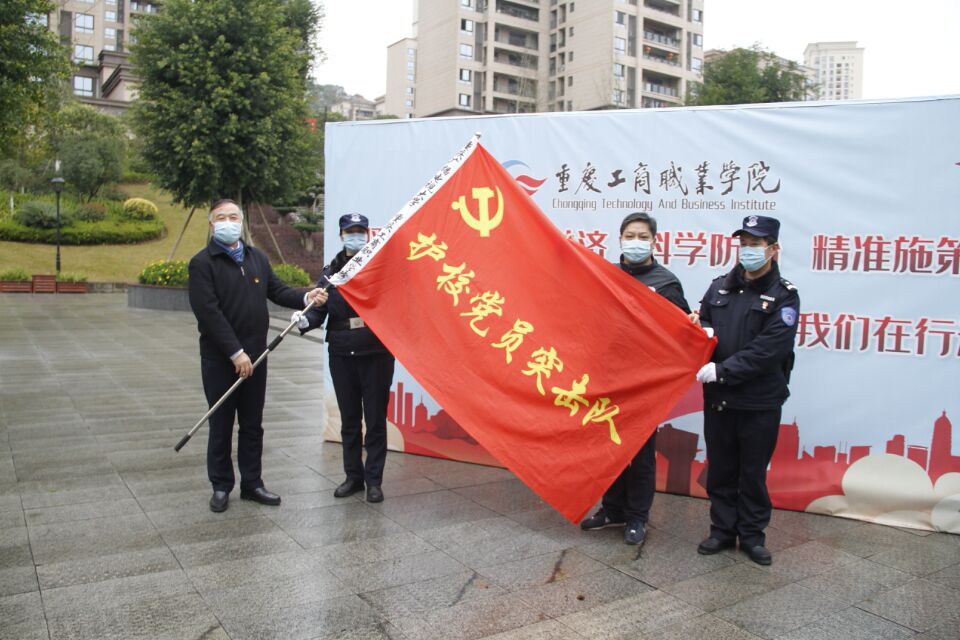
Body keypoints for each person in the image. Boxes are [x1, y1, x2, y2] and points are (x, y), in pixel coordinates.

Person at [188, 199, 326, 513]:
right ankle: (221, 485)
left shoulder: (256, 257)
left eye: (233, 217)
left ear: (242, 222)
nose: (228, 222)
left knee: (252, 424)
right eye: (221, 218)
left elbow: (277, 291)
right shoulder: (202, 263)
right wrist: (235, 353)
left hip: (257, 357)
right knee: (221, 424)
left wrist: (306, 296)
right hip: (221, 360)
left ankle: (252, 483)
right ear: (211, 224)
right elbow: (209, 313)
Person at [692, 214, 799, 565]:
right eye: (744, 243)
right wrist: (701, 331)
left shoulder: (784, 296)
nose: (748, 250)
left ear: (773, 249)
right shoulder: (719, 287)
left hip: (759, 401)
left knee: (752, 473)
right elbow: (704, 320)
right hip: (720, 400)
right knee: (721, 469)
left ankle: (752, 536)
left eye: (756, 244)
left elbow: (770, 349)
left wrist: (723, 371)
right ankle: (722, 530)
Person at [581, 212, 691, 545]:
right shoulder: (606, 275)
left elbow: (681, 333)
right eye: (630, 236)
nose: (636, 242)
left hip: (645, 383)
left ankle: (637, 516)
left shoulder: (666, 282)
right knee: (609, 447)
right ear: (620, 238)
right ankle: (612, 509)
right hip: (609, 377)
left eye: (643, 237)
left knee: (641, 453)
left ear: (654, 241)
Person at [295, 213, 395, 503]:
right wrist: (304, 320)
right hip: (341, 353)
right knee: (349, 420)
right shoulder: (331, 273)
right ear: (341, 236)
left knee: (375, 420)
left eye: (360, 231)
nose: (356, 236)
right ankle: (353, 477)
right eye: (350, 232)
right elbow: (319, 309)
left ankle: (374, 480)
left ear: (368, 233)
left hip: (375, 353)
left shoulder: (378, 266)